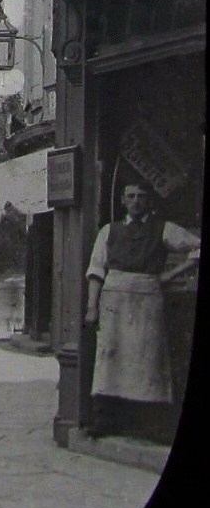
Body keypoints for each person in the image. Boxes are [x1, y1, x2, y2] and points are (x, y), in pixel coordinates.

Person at [84, 182, 199, 437]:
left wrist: (170, 275)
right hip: (113, 300)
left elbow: (197, 247)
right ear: (123, 200)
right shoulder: (108, 231)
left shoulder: (163, 229)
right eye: (131, 196)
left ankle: (150, 425)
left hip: (147, 299)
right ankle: (105, 420)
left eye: (142, 197)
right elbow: (96, 270)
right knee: (110, 356)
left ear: (149, 202)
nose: (136, 201)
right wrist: (92, 306)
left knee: (148, 358)